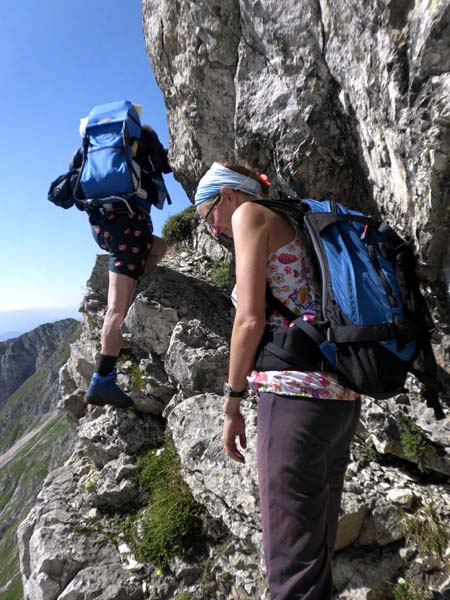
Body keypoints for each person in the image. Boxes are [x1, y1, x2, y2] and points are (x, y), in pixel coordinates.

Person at [194, 162, 361, 600]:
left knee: (290, 566)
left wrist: (231, 405)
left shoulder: (249, 215)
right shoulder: (296, 218)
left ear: (228, 196)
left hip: (293, 399)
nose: (213, 228)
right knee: (314, 550)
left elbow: (248, 321)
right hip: (339, 397)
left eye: (207, 214)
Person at [73, 121, 169, 409]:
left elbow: (76, 188)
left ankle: (131, 295)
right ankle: (102, 381)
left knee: (161, 247)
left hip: (102, 226)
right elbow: (166, 166)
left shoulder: (92, 147)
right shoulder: (144, 139)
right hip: (130, 227)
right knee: (116, 307)